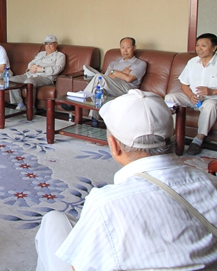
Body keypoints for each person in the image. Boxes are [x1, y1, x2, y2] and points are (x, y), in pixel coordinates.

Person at [34, 89, 217, 270]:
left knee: (53, 220)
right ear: (173, 137)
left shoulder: (106, 204)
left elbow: (78, 267)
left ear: (114, 146)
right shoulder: (211, 183)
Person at [62, 37, 147, 126]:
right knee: (98, 90)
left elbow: (129, 79)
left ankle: (77, 102)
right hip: (111, 87)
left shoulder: (140, 63)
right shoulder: (114, 63)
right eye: (122, 47)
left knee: (98, 77)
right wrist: (122, 73)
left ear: (134, 47)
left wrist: (114, 72)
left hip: (126, 88)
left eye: (128, 47)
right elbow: (106, 78)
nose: (125, 50)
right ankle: (94, 121)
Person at [165, 33, 217, 155]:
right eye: (197, 45)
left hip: (211, 99)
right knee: (169, 98)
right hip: (192, 97)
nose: (199, 48)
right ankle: (171, 134)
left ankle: (198, 140)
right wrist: (190, 96)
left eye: (203, 45)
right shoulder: (192, 62)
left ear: (214, 48)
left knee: (211, 105)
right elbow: (184, 84)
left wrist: (212, 91)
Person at [7, 35, 66, 110]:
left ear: (56, 44)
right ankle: (20, 104)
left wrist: (42, 69)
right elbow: (32, 62)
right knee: (11, 80)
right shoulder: (41, 53)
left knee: (29, 82)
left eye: (50, 44)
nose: (48, 46)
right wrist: (31, 68)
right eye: (46, 44)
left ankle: (31, 108)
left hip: (45, 77)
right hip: (30, 74)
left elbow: (57, 69)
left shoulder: (60, 55)